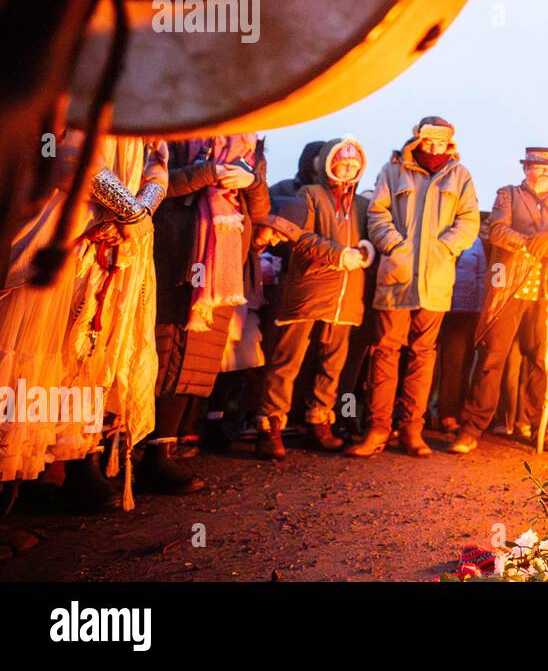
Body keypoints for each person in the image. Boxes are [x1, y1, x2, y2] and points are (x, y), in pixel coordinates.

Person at [0, 132, 167, 513]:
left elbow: (159, 165)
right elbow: (68, 154)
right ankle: (18, 482)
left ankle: (59, 467)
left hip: (112, 243)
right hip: (63, 231)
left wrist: (139, 211)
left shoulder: (154, 108)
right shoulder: (93, 87)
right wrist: (130, 210)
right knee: (30, 355)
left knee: (83, 357)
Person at [346, 118, 478, 457]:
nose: (434, 147)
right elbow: (377, 214)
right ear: (418, 139)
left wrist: (445, 248)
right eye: (428, 139)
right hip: (397, 276)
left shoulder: (460, 176)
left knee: (423, 353)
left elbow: (469, 221)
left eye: (441, 140)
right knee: (386, 350)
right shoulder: (392, 172)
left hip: (435, 279)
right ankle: (377, 428)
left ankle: (410, 429)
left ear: (450, 142)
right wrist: (394, 245)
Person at [145, 134, 269, 494]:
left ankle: (162, 451)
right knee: (162, 349)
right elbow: (154, 185)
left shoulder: (251, 146)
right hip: (174, 254)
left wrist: (253, 181)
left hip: (224, 264)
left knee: (197, 358)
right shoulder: (178, 127)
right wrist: (207, 172)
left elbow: (259, 211)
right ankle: (130, 448)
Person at [450, 147, 548, 454]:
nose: (545, 173)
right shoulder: (507, 195)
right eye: (538, 167)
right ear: (526, 169)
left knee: (541, 360)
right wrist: (532, 243)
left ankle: (542, 427)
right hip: (510, 288)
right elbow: (497, 231)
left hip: (546, 291)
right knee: (493, 357)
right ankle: (472, 427)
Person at [254, 138, 370, 458]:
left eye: (353, 164)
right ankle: (271, 424)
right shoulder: (310, 195)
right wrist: (336, 254)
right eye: (341, 162)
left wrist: (365, 251)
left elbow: (369, 239)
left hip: (346, 294)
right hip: (310, 286)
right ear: (327, 164)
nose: (347, 168)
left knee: (333, 363)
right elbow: (299, 235)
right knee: (287, 359)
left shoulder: (361, 205)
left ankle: (321, 421)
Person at [433, 211, 488, 434]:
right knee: (428, 362)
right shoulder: (437, 233)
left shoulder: (475, 243)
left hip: (464, 312)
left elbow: (482, 277)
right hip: (435, 304)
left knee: (457, 364)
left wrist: (479, 310)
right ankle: (415, 414)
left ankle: (448, 413)